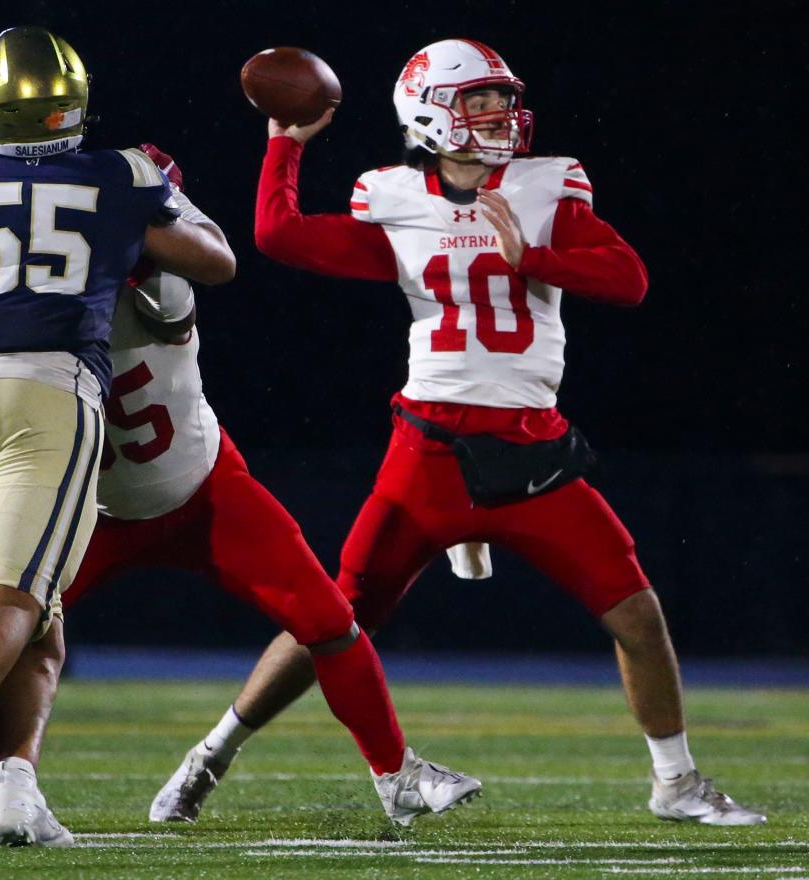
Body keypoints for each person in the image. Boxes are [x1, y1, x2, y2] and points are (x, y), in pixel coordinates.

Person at [152, 38, 767, 827]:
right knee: (331, 619)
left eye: (504, 98)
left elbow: (630, 280)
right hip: (429, 453)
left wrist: (535, 255)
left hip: (532, 451)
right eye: (481, 100)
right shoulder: (395, 196)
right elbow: (280, 236)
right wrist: (283, 144)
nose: (502, 114)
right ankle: (211, 756)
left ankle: (676, 783)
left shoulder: (549, 187)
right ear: (431, 113)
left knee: (636, 614)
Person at [0, 148, 483, 834]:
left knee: (328, 619)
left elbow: (193, 272)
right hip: (90, 506)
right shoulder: (48, 285)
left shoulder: (151, 279)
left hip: (204, 489)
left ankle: (396, 774)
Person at [0, 26, 235, 851]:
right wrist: (129, 228)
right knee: (13, 601)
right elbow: (214, 263)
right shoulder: (117, 174)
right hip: (49, 391)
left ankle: (15, 792)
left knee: (34, 614)